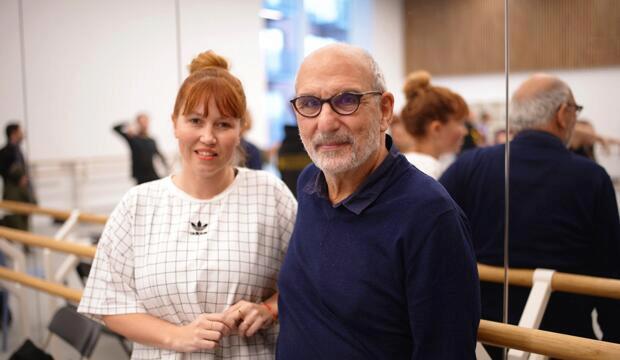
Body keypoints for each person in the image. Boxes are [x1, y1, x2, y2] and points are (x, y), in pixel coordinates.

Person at [79, 50, 297, 359]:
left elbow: (308, 278)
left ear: (239, 130)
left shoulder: (270, 196)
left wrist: (268, 309)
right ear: (175, 124)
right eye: (195, 121)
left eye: (223, 124)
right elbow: (110, 303)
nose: (208, 137)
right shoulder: (138, 205)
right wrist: (178, 337)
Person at [277, 43, 480, 359]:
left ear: (385, 111)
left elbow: (445, 350)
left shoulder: (429, 216)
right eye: (309, 103)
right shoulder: (309, 185)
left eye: (347, 100)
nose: (326, 122)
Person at [440, 74, 620, 357]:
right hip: (563, 340)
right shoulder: (591, 178)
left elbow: (437, 247)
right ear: (563, 114)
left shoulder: (466, 167)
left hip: (480, 335)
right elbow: (609, 265)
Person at [397, 70, 469, 179]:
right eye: (460, 123)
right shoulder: (428, 173)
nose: (465, 131)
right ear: (436, 129)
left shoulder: (408, 166)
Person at [0, 123, 37, 230]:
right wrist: (18, 177)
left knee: (25, 228)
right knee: (15, 226)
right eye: (20, 132)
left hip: (24, 196)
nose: (23, 134)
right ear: (14, 133)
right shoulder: (5, 152)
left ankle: (27, 246)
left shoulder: (18, 151)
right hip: (14, 196)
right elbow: (5, 170)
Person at [113, 113, 168, 184]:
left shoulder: (151, 140)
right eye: (141, 122)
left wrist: (167, 167)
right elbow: (115, 128)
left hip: (151, 173)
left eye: (145, 122)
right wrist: (129, 124)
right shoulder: (133, 138)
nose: (144, 124)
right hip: (140, 176)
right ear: (137, 124)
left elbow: (159, 155)